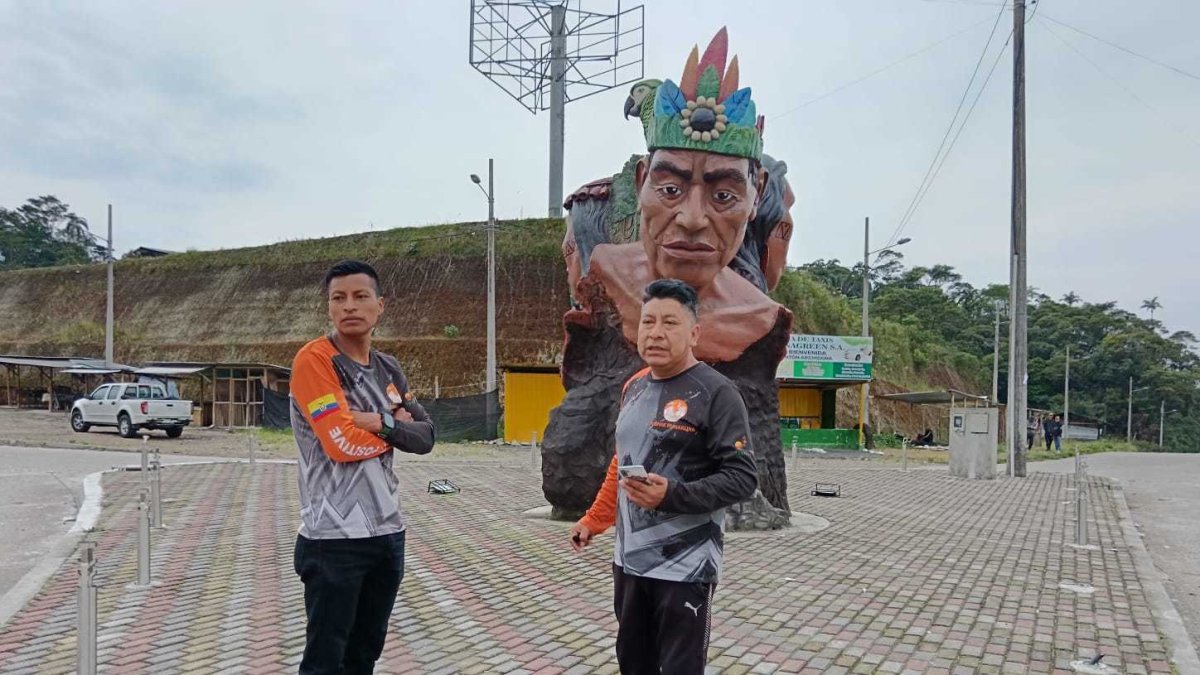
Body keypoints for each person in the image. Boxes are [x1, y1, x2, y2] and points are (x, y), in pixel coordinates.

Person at [569, 279, 758, 674]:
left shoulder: (717, 393)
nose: (655, 332)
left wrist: (671, 495)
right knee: (633, 664)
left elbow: (742, 478)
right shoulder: (634, 387)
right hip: (630, 563)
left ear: (694, 333)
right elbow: (622, 463)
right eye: (648, 322)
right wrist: (594, 520)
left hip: (685, 569)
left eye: (669, 323)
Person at [290, 260, 436, 675]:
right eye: (338, 298)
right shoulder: (316, 360)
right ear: (329, 307)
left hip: (388, 534)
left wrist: (375, 421)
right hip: (334, 538)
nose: (349, 306)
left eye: (360, 296)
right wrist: (395, 430)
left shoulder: (389, 368)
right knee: (325, 659)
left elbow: (425, 438)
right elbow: (338, 443)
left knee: (364, 654)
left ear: (380, 305)